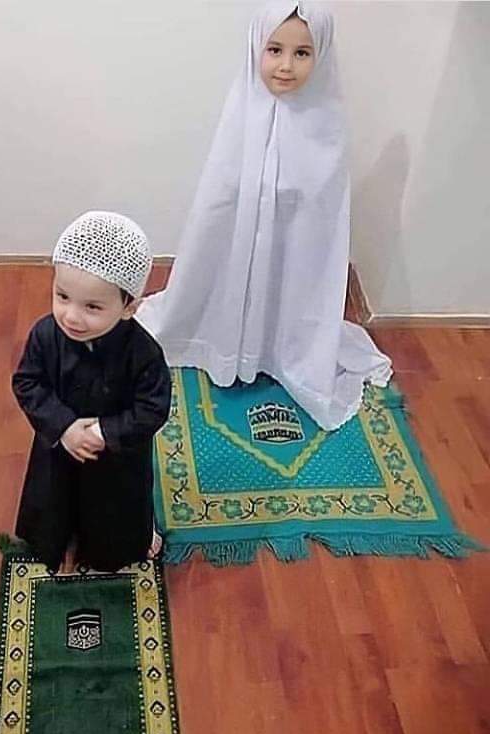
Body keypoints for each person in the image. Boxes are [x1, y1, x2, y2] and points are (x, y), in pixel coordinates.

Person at [136, 1, 391, 430]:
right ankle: (226, 338)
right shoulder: (242, 111)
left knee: (289, 273)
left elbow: (322, 208)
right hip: (239, 239)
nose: (286, 66)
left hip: (292, 251)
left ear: (321, 55)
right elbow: (220, 195)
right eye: (274, 50)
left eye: (302, 53)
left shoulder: (326, 123)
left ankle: (276, 345)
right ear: (256, 47)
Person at [12, 211, 171, 572]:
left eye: (92, 307)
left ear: (129, 307)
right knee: (54, 500)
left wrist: (103, 433)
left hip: (116, 456)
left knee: (116, 511)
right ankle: (56, 540)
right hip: (58, 447)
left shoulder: (144, 354)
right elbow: (27, 382)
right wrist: (65, 427)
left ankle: (128, 539)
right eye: (62, 296)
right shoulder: (45, 335)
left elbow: (153, 408)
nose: (71, 316)